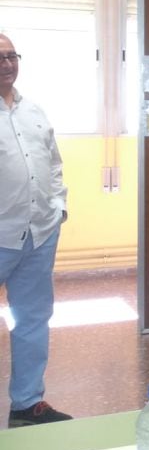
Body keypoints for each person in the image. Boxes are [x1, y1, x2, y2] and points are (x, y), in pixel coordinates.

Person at [0, 35, 72, 427]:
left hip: (38, 234)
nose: (7, 63)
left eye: (12, 55)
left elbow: (54, 163)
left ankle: (27, 403)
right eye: (0, 57)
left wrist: (58, 207)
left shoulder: (34, 111)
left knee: (32, 318)